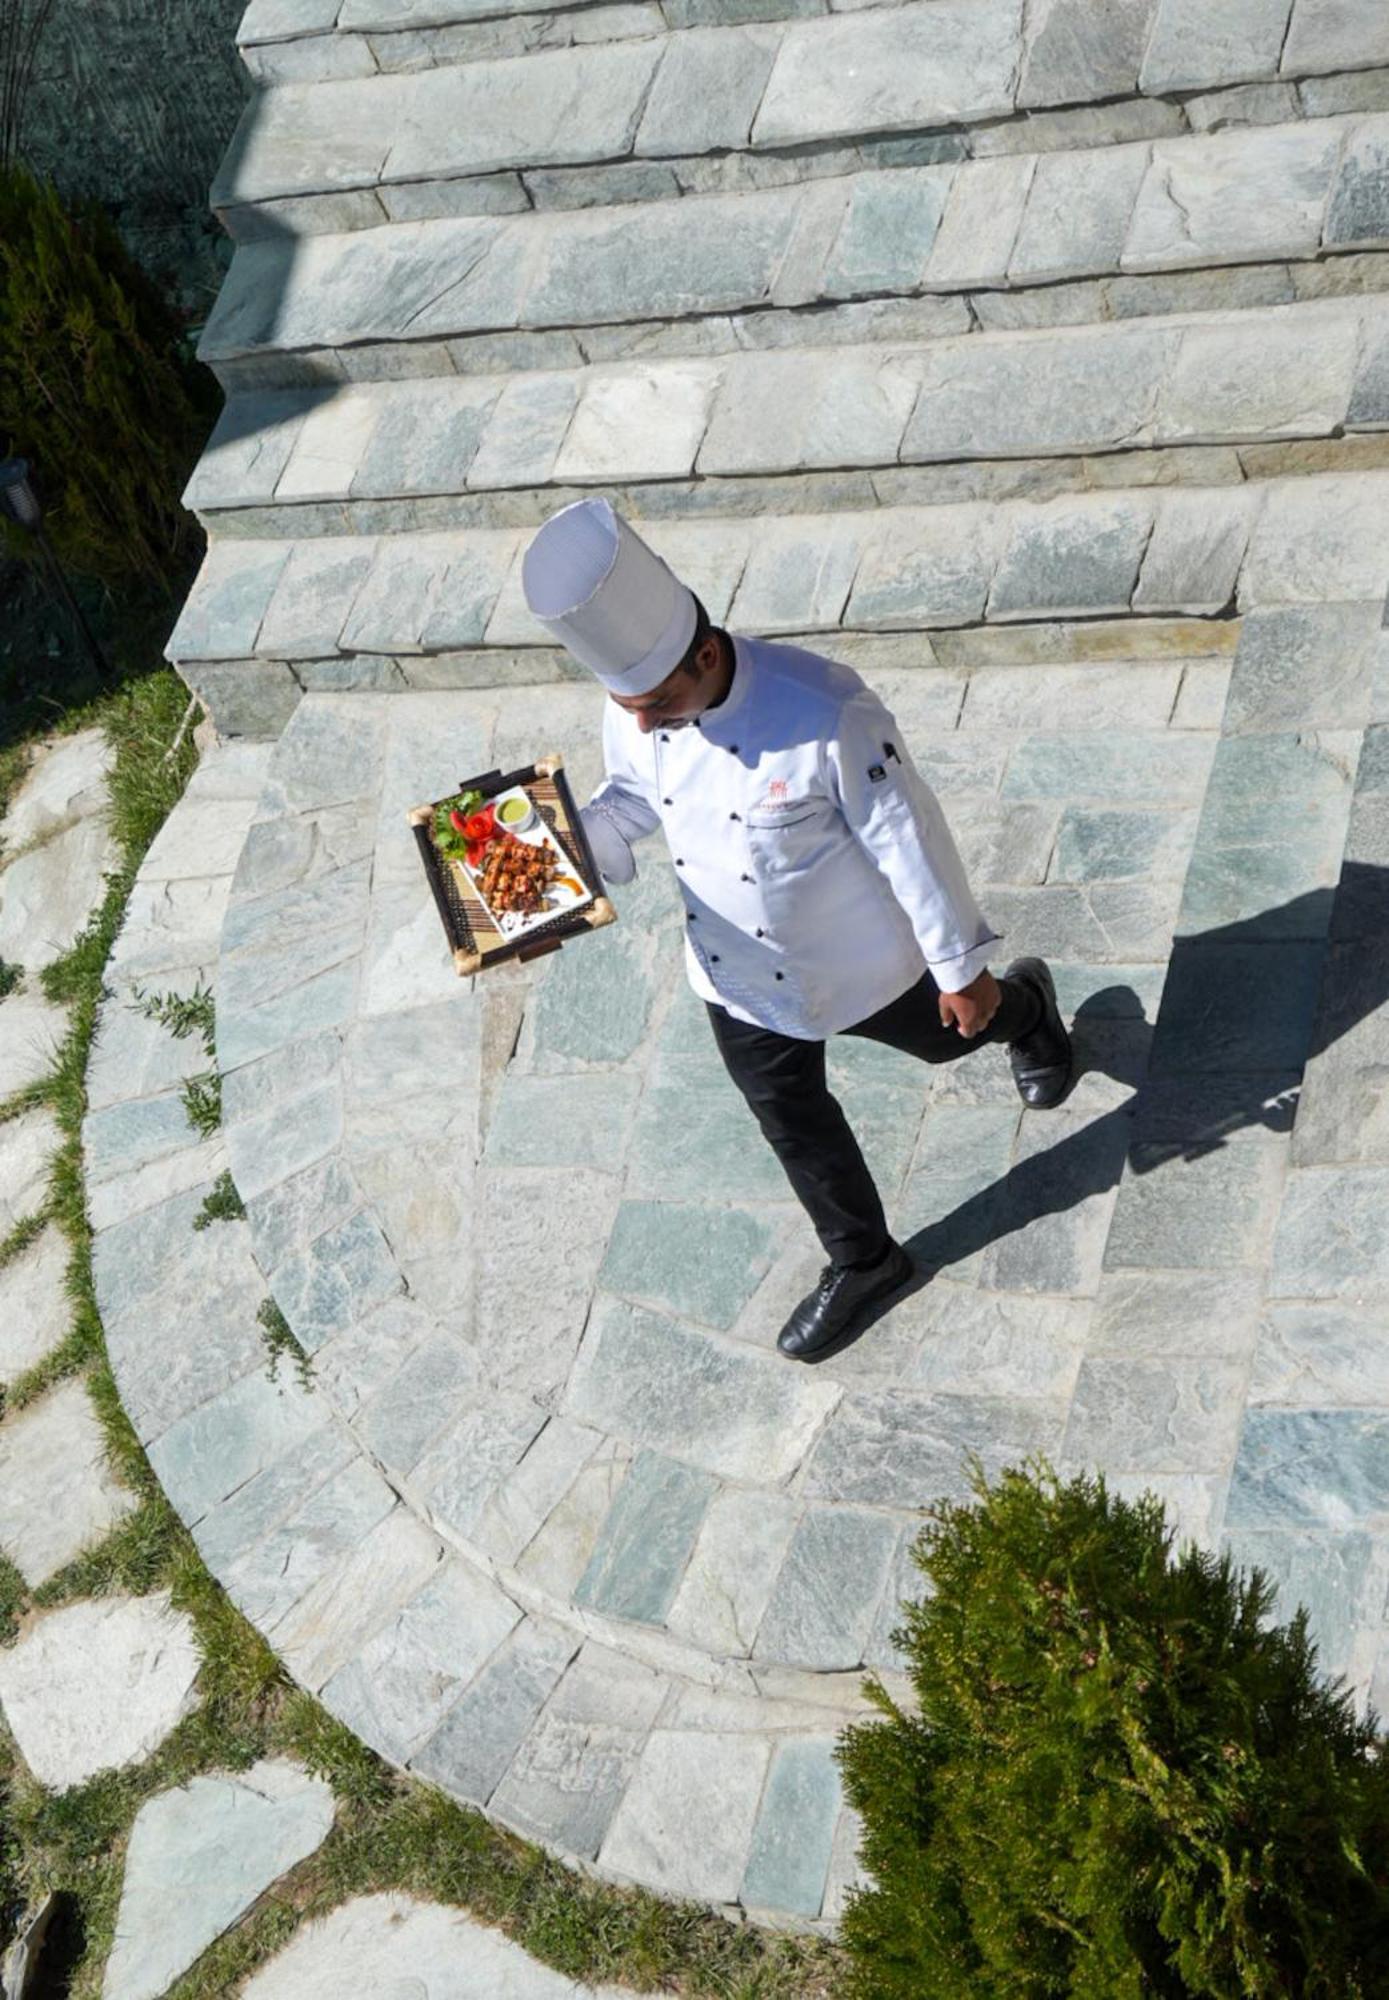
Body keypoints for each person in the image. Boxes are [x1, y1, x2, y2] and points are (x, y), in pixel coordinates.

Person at [522, 499, 1073, 1363]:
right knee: (791, 1118)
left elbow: (910, 839)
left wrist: (962, 971)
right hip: (732, 975)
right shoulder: (636, 707)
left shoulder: (826, 710)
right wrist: (553, 872)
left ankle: (1026, 1009)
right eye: (625, 705)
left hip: (860, 966)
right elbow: (630, 800)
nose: (639, 723)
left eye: (656, 703)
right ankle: (865, 1261)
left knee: (950, 1043)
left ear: (705, 655)